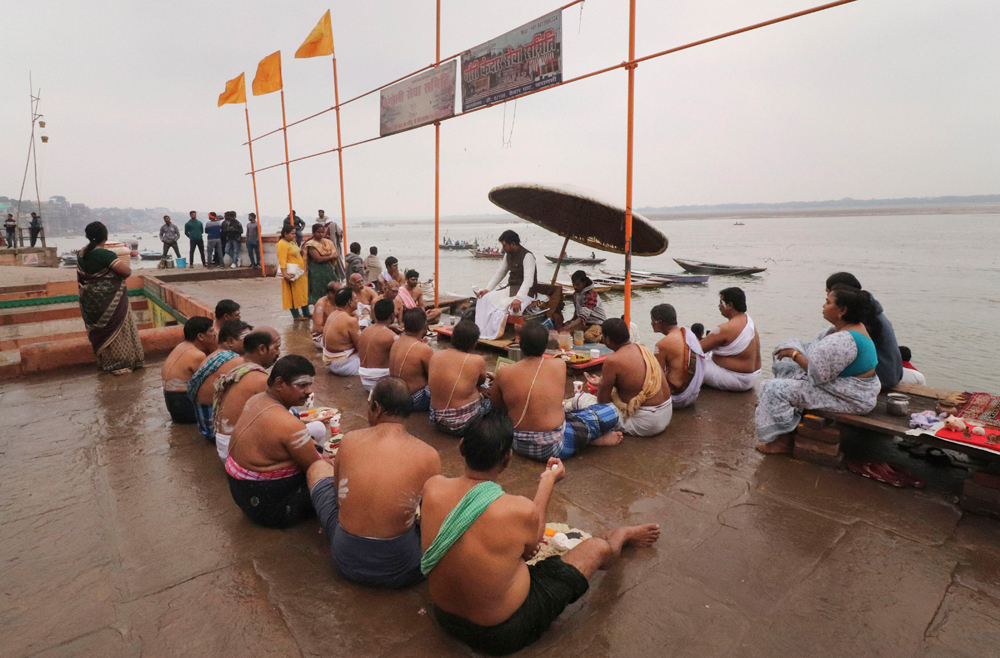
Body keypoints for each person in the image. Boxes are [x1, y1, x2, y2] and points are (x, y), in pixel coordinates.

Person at [420, 408, 661, 656]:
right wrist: (548, 481)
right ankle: (621, 535)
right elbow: (533, 547)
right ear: (507, 457)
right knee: (598, 548)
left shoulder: (432, 488)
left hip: (446, 618)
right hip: (503, 633)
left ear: (461, 446)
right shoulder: (517, 509)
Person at [306, 377, 442, 587]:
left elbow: (338, 498)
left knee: (317, 468)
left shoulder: (349, 440)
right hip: (401, 568)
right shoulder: (429, 455)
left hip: (346, 559)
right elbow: (430, 518)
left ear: (376, 407)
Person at [755, 285, 881, 454]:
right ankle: (788, 423)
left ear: (842, 310)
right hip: (850, 389)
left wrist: (794, 354)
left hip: (852, 398)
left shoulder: (843, 340)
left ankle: (784, 441)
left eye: (828, 302)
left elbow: (817, 375)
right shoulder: (851, 328)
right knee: (786, 368)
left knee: (774, 389)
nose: (823, 306)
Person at [493, 322, 621, 460]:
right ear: (546, 345)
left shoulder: (504, 372)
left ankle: (585, 439)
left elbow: (496, 407)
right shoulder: (559, 364)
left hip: (516, 443)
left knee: (567, 415)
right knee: (612, 411)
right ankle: (590, 441)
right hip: (554, 448)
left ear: (520, 344)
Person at [226, 355, 322, 528]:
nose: (309, 391)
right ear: (279, 383)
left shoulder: (255, 400)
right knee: (342, 480)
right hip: (271, 508)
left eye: (309, 385)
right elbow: (315, 468)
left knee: (319, 450)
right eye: (302, 385)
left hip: (242, 495)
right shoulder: (289, 425)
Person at [76, 221, 145, 375]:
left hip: (90, 302)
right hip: (110, 301)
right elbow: (126, 272)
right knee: (118, 332)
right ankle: (120, 364)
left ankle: (105, 362)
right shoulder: (105, 255)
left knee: (100, 332)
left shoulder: (81, 254)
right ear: (105, 236)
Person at [586, 318, 672, 436]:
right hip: (666, 414)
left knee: (581, 401)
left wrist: (602, 385)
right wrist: (603, 381)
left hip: (647, 423)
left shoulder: (612, 360)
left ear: (607, 339)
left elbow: (603, 402)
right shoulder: (643, 349)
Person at [213, 327, 282, 461]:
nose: (279, 353)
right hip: (237, 451)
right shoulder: (259, 379)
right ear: (262, 349)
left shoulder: (239, 367)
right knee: (313, 430)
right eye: (276, 348)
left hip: (224, 445)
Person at [825, 272, 902, 389]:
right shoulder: (869, 310)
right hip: (893, 373)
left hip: (881, 377)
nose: (826, 300)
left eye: (828, 295)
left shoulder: (860, 318)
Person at [187, 320, 250, 441]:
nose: (252, 343)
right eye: (247, 340)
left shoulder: (211, 356)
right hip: (218, 431)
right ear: (230, 341)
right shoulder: (236, 361)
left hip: (205, 426)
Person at [428, 320, 490, 436]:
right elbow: (481, 381)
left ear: (452, 338)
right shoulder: (477, 360)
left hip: (437, 420)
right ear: (474, 343)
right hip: (463, 425)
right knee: (492, 397)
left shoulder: (436, 356)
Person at [474, 230, 538, 341]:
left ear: (513, 244)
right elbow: (501, 273)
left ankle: (512, 335)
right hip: (511, 290)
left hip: (527, 294)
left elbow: (528, 280)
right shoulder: (508, 255)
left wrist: (519, 298)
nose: (503, 248)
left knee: (514, 309)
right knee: (483, 299)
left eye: (504, 245)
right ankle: (481, 332)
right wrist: (488, 289)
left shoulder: (528, 256)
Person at [699, 287, 761, 392]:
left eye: (721, 303)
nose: (719, 306)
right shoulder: (747, 320)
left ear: (730, 305)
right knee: (708, 354)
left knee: (689, 360)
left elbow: (697, 349)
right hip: (753, 376)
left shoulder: (725, 328)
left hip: (737, 379)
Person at [161, 316, 216, 424]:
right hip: (184, 403)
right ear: (200, 336)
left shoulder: (181, 346)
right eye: (211, 331)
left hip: (172, 402)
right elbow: (209, 383)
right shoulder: (197, 355)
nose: (215, 334)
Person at [650, 303, 705, 409]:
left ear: (659, 322)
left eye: (652, 320)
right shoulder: (689, 335)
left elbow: (654, 376)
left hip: (675, 398)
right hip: (693, 395)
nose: (651, 323)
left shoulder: (662, 344)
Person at [390, 308, 434, 411]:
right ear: (424, 326)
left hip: (394, 395)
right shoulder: (424, 349)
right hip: (412, 400)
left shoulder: (397, 341)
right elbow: (433, 376)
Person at [357, 299, 397, 391]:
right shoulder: (392, 336)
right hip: (380, 383)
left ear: (374, 315)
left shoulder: (364, 331)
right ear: (392, 316)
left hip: (364, 381)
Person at [323, 288, 362, 376]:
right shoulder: (350, 320)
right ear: (350, 302)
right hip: (343, 365)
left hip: (330, 363)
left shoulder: (333, 314)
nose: (357, 301)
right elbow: (360, 347)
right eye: (355, 299)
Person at [561, 271, 607, 343]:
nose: (575, 287)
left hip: (597, 323)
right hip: (584, 323)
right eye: (573, 284)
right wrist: (570, 322)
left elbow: (582, 317)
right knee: (565, 333)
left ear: (584, 283)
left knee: (588, 337)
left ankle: (602, 337)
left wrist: (567, 327)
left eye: (578, 284)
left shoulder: (591, 295)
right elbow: (577, 313)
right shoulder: (576, 294)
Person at [277, 224, 310, 320]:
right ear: (285, 234)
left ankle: (306, 312)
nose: (294, 235)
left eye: (295, 233)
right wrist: (285, 274)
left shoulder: (293, 242)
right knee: (292, 294)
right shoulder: (281, 244)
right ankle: (296, 315)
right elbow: (282, 260)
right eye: (292, 234)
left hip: (300, 272)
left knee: (302, 292)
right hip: (291, 273)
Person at [303, 223, 338, 306]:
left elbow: (335, 254)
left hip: (328, 269)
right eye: (318, 232)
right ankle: (319, 309)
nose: (321, 234)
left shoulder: (328, 242)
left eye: (322, 232)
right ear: (313, 232)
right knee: (318, 292)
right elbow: (318, 259)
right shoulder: (311, 244)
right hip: (316, 271)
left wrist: (330, 257)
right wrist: (331, 256)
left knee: (331, 289)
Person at [312, 281, 342, 347]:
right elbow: (317, 328)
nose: (342, 294)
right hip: (321, 335)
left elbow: (354, 315)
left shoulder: (341, 301)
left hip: (338, 332)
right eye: (340, 292)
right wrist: (339, 331)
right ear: (331, 294)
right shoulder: (321, 304)